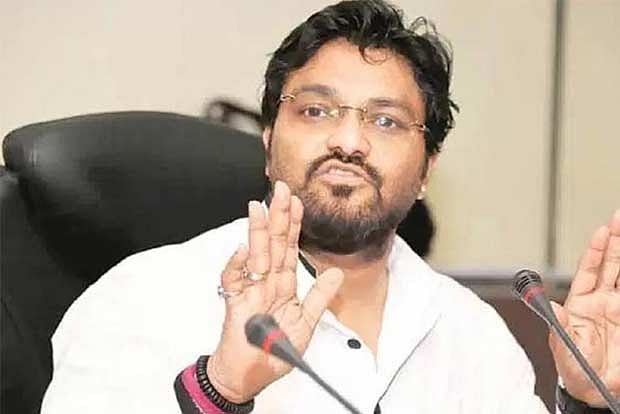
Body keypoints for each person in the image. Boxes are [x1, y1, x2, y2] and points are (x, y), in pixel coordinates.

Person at [41, 1, 620, 413]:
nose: (349, 141)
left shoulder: (472, 333)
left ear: (427, 170)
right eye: (316, 111)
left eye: (386, 120)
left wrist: (587, 401)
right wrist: (220, 390)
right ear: (269, 140)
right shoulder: (143, 297)